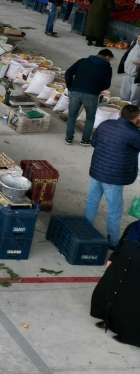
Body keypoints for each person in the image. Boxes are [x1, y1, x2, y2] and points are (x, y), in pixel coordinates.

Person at [85, 105, 140, 246]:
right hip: (114, 177)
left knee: (92, 201)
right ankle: (113, 242)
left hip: (97, 170)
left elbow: (94, 142)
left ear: (120, 114)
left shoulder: (105, 124)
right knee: (115, 210)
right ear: (137, 119)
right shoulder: (134, 133)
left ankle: (84, 230)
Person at [91, 218, 140, 346]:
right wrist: (113, 258)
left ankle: (128, 335)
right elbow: (121, 244)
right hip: (121, 265)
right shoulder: (134, 227)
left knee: (132, 303)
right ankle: (110, 320)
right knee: (113, 294)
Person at [65, 49, 114, 145]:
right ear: (107, 57)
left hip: (75, 91)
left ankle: (68, 138)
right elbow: (106, 85)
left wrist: (70, 86)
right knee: (90, 118)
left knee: (72, 115)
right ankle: (85, 140)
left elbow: (68, 73)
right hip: (91, 94)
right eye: (110, 59)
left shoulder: (83, 61)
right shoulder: (107, 67)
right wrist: (97, 89)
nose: (110, 61)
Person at [118, 38, 140, 104]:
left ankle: (134, 111)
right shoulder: (134, 42)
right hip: (127, 73)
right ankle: (123, 107)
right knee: (124, 95)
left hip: (137, 76)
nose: (139, 39)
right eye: (139, 37)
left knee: (135, 97)